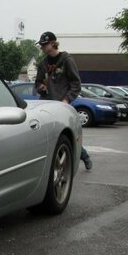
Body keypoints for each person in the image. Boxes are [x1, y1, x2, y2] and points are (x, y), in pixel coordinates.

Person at [35, 31, 92, 170]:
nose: (42, 47)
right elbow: (37, 83)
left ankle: (84, 156)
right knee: (49, 134)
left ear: (53, 43)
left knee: (65, 133)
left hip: (62, 104)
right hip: (47, 104)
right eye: (41, 45)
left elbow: (76, 84)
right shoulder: (43, 63)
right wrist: (40, 87)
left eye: (44, 44)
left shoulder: (67, 60)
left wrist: (67, 100)